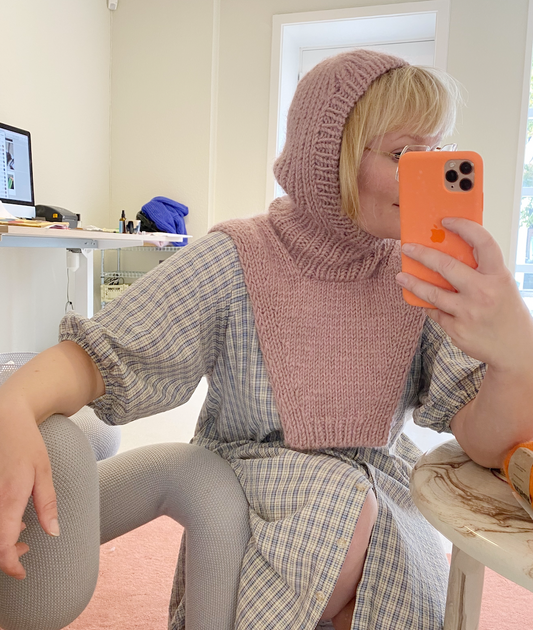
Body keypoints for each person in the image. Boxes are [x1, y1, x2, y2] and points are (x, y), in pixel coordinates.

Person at [1, 49, 533, 630]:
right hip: (251, 489)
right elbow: (105, 356)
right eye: (405, 154)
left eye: (436, 151)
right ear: (331, 156)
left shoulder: (422, 275)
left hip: (377, 491)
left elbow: (482, 439)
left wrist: (514, 353)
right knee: (343, 510)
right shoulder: (238, 256)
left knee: (392, 558)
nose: (428, 171)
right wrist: (15, 403)